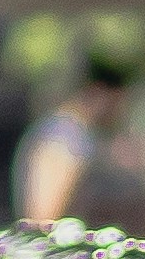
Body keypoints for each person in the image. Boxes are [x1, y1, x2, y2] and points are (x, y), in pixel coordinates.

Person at [19, 58, 130, 225]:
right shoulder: (65, 136)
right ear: (101, 93)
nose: (120, 113)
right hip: (57, 248)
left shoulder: (76, 133)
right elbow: (43, 217)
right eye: (118, 103)